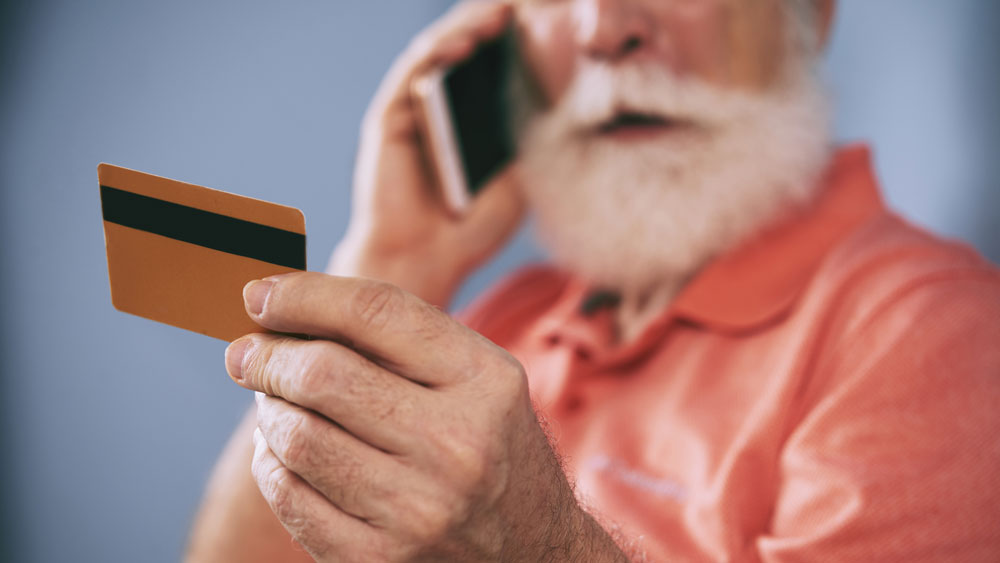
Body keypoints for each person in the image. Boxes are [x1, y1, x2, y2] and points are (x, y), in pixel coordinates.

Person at [187, 0, 1000, 561]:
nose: (604, 28)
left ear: (807, 16)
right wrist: (394, 259)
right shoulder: (509, 312)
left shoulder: (941, 334)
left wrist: (535, 545)